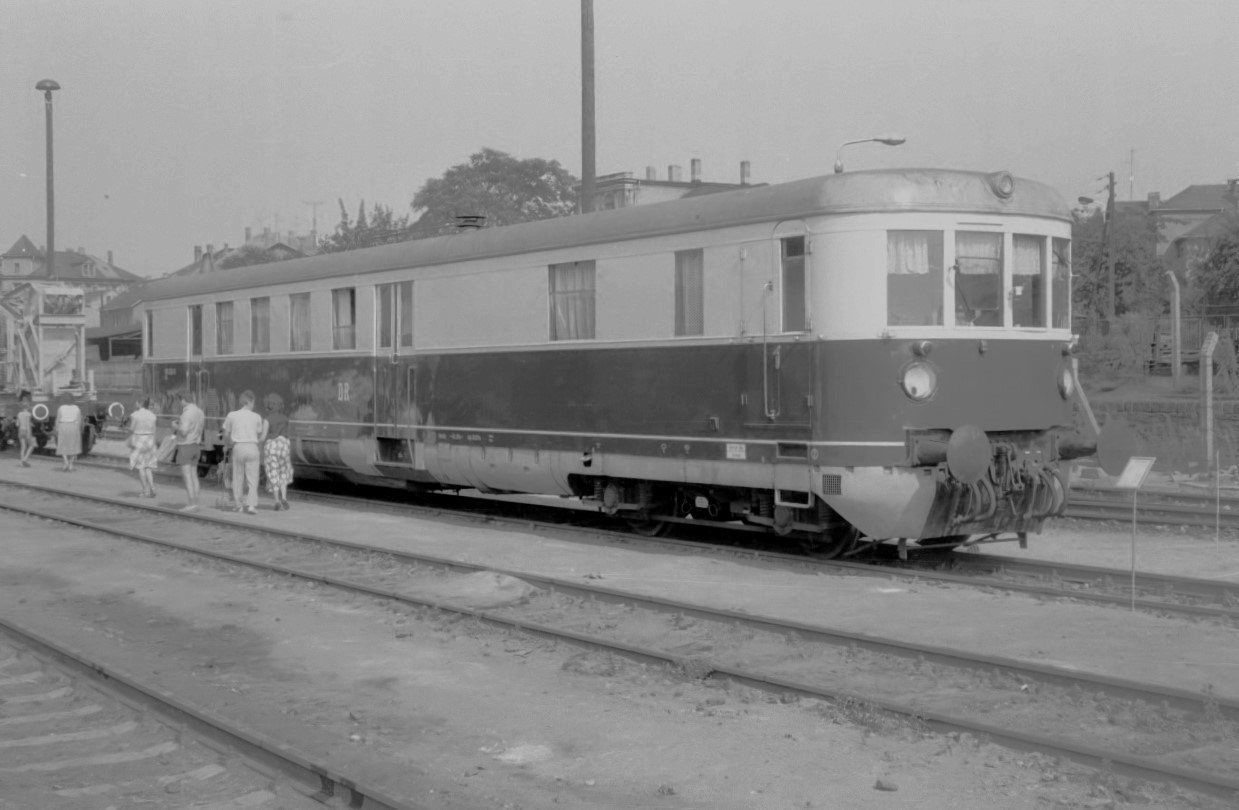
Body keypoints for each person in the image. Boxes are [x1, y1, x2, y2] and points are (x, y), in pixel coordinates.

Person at [222, 390, 266, 514]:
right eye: (253, 402)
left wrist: (228, 443)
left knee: (238, 477)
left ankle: (238, 505)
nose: (254, 405)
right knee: (252, 479)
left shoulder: (232, 415)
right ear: (249, 401)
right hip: (252, 447)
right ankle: (251, 505)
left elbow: (226, 433)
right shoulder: (257, 416)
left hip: (238, 447)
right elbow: (259, 434)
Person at [173, 391, 206, 511]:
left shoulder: (186, 413)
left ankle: (191, 504)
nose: (179, 403)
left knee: (187, 477)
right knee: (194, 475)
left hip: (186, 446)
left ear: (183, 400)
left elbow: (183, 432)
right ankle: (195, 502)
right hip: (196, 446)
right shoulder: (200, 412)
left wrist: (176, 426)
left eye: (179, 401)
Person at [262, 393, 293, 511]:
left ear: (269, 406)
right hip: (283, 446)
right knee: (283, 474)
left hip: (271, 446)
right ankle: (284, 497)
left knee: (273, 473)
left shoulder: (267, 419)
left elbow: (264, 436)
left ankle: (276, 501)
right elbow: (287, 434)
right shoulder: (285, 419)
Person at [127, 396, 159, 498]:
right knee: (148, 467)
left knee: (141, 467)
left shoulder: (135, 415)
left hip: (139, 440)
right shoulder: (152, 415)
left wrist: (126, 429)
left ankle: (145, 491)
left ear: (139, 403)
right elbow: (154, 430)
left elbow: (132, 429)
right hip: (149, 441)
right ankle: (152, 488)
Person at [54, 396, 82, 472]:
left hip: (63, 426)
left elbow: (58, 419)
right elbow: (79, 420)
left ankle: (65, 462)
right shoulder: (76, 408)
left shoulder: (61, 408)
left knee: (62, 445)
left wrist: (56, 428)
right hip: (73, 426)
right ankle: (70, 465)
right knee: (74, 445)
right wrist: (78, 429)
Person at [16, 397, 34, 467]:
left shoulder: (19, 414)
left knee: (23, 447)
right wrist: (29, 433)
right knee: (31, 446)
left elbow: (17, 424)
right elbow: (27, 424)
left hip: (20, 430)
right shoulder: (29, 414)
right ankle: (25, 460)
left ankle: (22, 462)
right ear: (28, 406)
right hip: (27, 431)